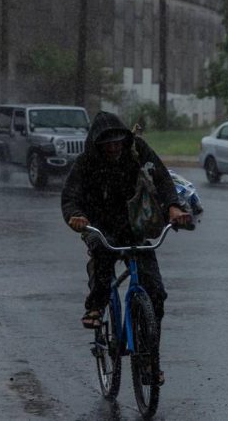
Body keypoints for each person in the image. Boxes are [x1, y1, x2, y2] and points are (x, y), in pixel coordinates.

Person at [61, 111, 191, 335]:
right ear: (97, 144)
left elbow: (161, 177)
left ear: (124, 139)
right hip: (100, 226)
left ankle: (151, 359)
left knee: (156, 292)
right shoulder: (86, 162)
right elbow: (70, 197)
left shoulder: (137, 150)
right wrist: (76, 217)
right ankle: (96, 305)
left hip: (135, 226)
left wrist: (173, 206)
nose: (113, 148)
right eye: (107, 144)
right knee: (102, 253)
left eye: (117, 142)